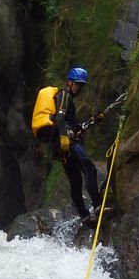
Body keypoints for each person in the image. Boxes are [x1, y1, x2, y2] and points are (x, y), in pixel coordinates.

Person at [32, 67, 103, 223]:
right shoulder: (64, 95)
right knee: (89, 169)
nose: (78, 87)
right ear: (69, 82)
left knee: (75, 180)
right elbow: (59, 117)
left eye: (81, 85)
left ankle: (85, 216)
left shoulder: (65, 98)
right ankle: (98, 206)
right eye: (76, 84)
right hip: (66, 143)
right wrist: (65, 136)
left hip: (60, 147)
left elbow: (72, 124)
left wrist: (93, 121)